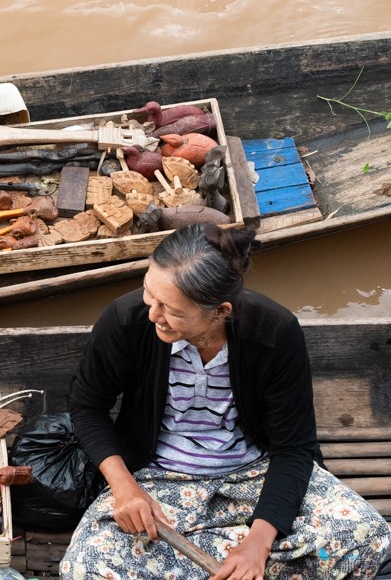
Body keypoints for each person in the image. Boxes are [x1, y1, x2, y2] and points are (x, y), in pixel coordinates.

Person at [60, 224, 390, 579]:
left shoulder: (276, 332)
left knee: (368, 535)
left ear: (220, 311)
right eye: (148, 293)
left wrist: (258, 543)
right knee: (86, 565)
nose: (153, 313)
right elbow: (87, 405)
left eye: (171, 309)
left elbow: (294, 448)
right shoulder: (127, 320)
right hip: (156, 478)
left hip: (255, 472)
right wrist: (125, 489)